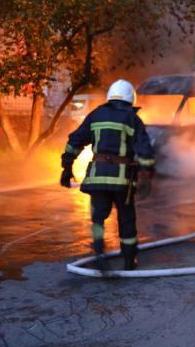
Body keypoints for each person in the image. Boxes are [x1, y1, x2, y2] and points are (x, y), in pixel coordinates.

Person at [60, 79, 156, 270]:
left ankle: (99, 251)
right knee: (126, 219)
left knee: (98, 218)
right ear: (130, 99)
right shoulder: (132, 119)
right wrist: (146, 177)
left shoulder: (96, 115)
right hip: (123, 181)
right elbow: (145, 151)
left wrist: (67, 167)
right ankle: (129, 260)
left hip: (97, 178)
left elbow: (75, 142)